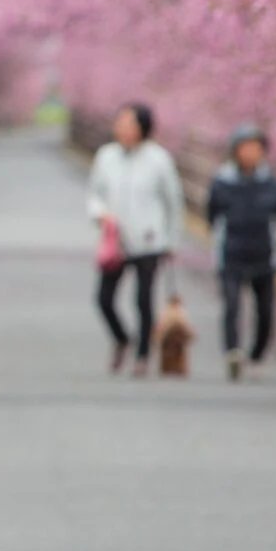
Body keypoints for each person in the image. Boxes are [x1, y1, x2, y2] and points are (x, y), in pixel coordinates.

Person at [86, 102, 184, 374]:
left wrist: (171, 241)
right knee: (104, 299)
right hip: (115, 240)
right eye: (120, 123)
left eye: (130, 124)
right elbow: (94, 193)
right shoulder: (106, 156)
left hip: (149, 239)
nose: (124, 129)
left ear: (143, 127)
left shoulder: (159, 159)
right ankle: (121, 339)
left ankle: (143, 355)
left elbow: (173, 202)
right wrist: (100, 214)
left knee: (143, 300)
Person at [208, 123, 276, 380]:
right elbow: (213, 215)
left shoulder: (272, 184)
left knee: (265, 310)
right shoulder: (222, 182)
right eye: (245, 148)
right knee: (231, 306)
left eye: (255, 148)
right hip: (231, 252)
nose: (250, 153)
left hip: (264, 254)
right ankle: (232, 352)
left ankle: (257, 354)